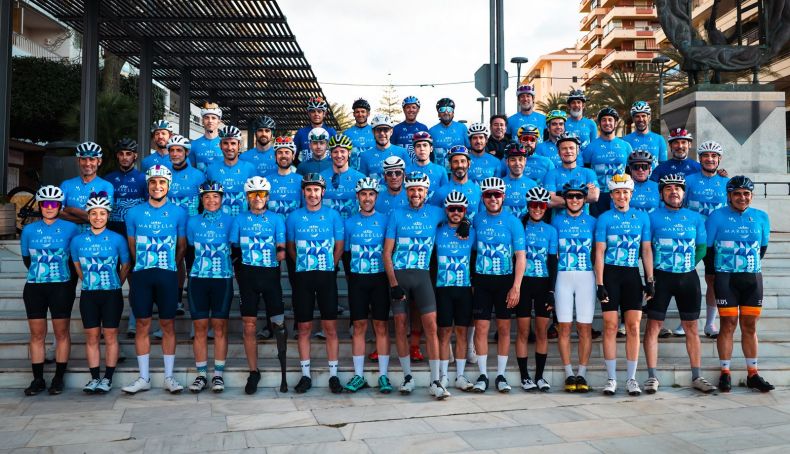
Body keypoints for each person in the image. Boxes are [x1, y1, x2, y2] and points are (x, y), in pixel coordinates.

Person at [643, 174, 717, 394]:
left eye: (678, 188)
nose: (673, 192)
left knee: (691, 327)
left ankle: (697, 376)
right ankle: (652, 377)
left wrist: (686, 264)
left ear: (684, 193)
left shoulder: (695, 218)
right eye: (668, 189)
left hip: (687, 278)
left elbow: (702, 248)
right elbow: (645, 249)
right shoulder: (651, 217)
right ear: (661, 194)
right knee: (653, 326)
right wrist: (651, 276)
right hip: (661, 277)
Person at [383, 171, 453, 399]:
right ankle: (407, 377)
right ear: (406, 191)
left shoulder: (435, 212)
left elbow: (457, 213)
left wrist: (465, 223)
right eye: (412, 189)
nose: (415, 193)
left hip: (422, 277)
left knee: (431, 326)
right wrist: (393, 284)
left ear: (426, 192)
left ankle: (435, 380)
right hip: (400, 277)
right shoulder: (396, 214)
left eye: (420, 190)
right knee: (400, 326)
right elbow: (387, 253)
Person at [121, 165, 188, 395]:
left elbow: (181, 247)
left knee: (168, 325)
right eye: (153, 182)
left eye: (161, 182)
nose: (157, 186)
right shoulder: (133, 213)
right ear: (147, 185)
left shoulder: (179, 212)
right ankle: (144, 378)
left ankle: (169, 377)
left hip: (167, 274)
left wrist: (170, 267)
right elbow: (132, 247)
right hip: (142, 275)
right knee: (142, 324)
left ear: (168, 185)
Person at [707, 176, 774, 392]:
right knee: (728, 324)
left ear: (752, 196)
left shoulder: (761, 217)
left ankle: (753, 373)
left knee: (750, 325)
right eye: (737, 194)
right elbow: (708, 249)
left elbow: (762, 248)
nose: (742, 198)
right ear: (729, 196)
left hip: (752, 278)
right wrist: (713, 273)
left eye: (746, 194)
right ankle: (725, 372)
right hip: (726, 278)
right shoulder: (716, 216)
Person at [594, 174, 654, 396]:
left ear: (631, 194)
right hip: (610, 275)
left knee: (633, 327)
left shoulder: (642, 217)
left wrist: (650, 280)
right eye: (617, 192)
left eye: (625, 192)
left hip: (631, 275)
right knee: (610, 326)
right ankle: (611, 379)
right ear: (611, 195)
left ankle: (631, 379)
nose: (621, 196)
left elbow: (646, 250)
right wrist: (600, 283)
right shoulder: (604, 218)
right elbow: (599, 252)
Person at [285, 173, 344, 394]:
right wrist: (303, 264)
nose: (312, 194)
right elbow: (291, 248)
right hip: (303, 277)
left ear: (323, 192)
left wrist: (330, 266)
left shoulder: (333, 215)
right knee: (304, 328)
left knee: (330, 328)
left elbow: (339, 246)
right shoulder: (293, 217)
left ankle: (334, 375)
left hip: (326, 276)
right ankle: (306, 375)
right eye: (309, 190)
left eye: (316, 190)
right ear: (303, 192)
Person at [20, 186, 79, 396]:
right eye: (45, 203)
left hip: (61, 286)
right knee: (37, 334)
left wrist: (67, 282)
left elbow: (74, 260)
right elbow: (27, 260)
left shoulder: (71, 228)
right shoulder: (28, 230)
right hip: (35, 287)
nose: (49, 207)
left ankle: (58, 378)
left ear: (60, 206)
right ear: (40, 205)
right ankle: (37, 379)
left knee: (61, 333)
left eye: (54, 203)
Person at [232, 176, 288, 394]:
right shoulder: (239, 219)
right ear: (247, 197)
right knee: (249, 325)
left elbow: (281, 250)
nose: (257, 198)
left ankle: (284, 373)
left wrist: (278, 252)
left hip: (270, 276)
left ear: (267, 196)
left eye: (261, 194)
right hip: (248, 277)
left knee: (279, 325)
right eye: (253, 194)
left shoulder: (276, 219)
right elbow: (234, 250)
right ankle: (253, 372)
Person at [471, 177, 526, 393]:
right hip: (482, 280)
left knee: (504, 329)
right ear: (483, 197)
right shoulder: (477, 219)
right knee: (481, 328)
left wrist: (516, 287)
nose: (493, 198)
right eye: (488, 195)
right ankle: (483, 374)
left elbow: (520, 256)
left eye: (497, 195)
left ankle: (501, 375)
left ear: (503, 197)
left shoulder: (513, 221)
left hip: (505, 281)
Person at [71, 193, 130, 394]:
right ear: (88, 215)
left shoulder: (118, 239)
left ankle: (108, 378)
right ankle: (94, 377)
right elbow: (78, 268)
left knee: (111, 336)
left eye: (102, 213)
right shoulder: (77, 240)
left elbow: (125, 266)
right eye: (94, 213)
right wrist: (90, 282)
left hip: (111, 294)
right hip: (89, 294)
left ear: (108, 215)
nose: (98, 217)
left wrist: (116, 284)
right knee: (92, 336)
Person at [343, 177, 392, 392]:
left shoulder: (385, 220)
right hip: (358, 280)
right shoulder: (349, 223)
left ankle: (383, 375)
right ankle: (358, 375)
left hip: (380, 279)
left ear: (376, 196)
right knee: (359, 326)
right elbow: (345, 254)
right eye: (363, 194)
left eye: (371, 194)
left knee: (381, 326)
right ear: (357, 196)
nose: (367, 198)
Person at [185, 181, 234, 394]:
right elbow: (189, 247)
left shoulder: (231, 221)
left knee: (220, 327)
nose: (211, 200)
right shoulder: (192, 222)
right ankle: (201, 375)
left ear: (222, 199)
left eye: (215, 196)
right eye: (206, 196)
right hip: (198, 279)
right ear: (201, 199)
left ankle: (218, 375)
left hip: (222, 278)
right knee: (200, 327)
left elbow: (235, 249)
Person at [552, 181, 597, 393]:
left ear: (585, 199)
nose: (574, 200)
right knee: (564, 327)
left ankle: (582, 373)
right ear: (565, 199)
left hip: (586, 276)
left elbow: (599, 252)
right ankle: (569, 373)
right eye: (570, 196)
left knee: (585, 327)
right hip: (563, 276)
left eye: (579, 196)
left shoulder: (593, 222)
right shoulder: (556, 221)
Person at [682, 140, 729, 339]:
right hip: (692, 238)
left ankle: (710, 323)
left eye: (714, 156)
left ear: (719, 159)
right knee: (684, 279)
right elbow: (680, 206)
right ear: (699, 159)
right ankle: (684, 322)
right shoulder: (688, 180)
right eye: (706, 156)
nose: (710, 159)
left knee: (713, 280)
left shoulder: (726, 182)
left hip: (716, 240)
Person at [434, 191, 476, 391]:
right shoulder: (437, 231)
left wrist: (467, 222)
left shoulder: (471, 232)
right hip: (443, 288)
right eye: (452, 209)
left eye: (460, 209)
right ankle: (443, 376)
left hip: (464, 289)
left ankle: (460, 375)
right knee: (444, 333)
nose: (456, 212)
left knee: (462, 332)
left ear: (465, 211)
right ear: (446, 210)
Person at [518, 187, 557, 392]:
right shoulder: (519, 226)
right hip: (523, 283)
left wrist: (552, 291)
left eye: (541, 205)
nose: (537, 209)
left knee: (542, 332)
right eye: (534, 205)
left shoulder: (551, 231)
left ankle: (539, 376)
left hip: (543, 284)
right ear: (528, 206)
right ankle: (525, 376)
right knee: (523, 331)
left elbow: (552, 262)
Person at [583, 107, 633, 217]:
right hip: (598, 197)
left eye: (610, 120)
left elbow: (630, 173)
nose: (607, 123)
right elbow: (586, 172)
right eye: (604, 120)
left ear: (616, 123)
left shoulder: (626, 146)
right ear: (599, 123)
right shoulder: (590, 147)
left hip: (620, 196)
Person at [59, 141, 115, 232]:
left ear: (99, 161)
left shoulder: (107, 186)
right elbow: (57, 213)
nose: (87, 163)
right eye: (84, 159)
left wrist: (71, 210)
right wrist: (92, 218)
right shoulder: (66, 184)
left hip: (95, 236)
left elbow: (104, 218)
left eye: (92, 159)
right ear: (78, 161)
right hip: (69, 236)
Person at [543, 133, 599, 217]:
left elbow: (594, 196)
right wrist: (583, 193)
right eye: (564, 148)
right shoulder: (551, 174)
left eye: (571, 148)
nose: (568, 151)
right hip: (558, 222)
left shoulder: (589, 172)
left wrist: (559, 196)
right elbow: (549, 201)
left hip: (584, 222)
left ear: (577, 151)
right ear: (558, 152)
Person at [207, 125, 257, 217]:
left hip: (243, 221)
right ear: (220, 145)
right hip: (219, 222)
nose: (229, 147)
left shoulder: (250, 168)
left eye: (233, 143)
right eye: (225, 143)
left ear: (239, 145)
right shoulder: (211, 169)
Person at [105, 138, 146, 236]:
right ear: (117, 156)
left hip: (136, 226)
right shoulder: (108, 178)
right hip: (112, 227)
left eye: (128, 154)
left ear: (135, 155)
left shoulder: (143, 178)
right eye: (121, 154)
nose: (124, 157)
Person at [431, 146, 482, 221]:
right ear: (450, 165)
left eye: (463, 161)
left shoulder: (478, 190)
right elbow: (434, 220)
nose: (460, 165)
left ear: (469, 164)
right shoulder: (440, 192)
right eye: (455, 162)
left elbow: (482, 217)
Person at [321, 134, 366, 220]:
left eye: (342, 151)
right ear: (330, 154)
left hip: (352, 226)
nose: (339, 155)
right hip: (328, 226)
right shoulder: (321, 177)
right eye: (335, 152)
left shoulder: (360, 178)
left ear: (349, 153)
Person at [359, 114, 410, 182]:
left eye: (386, 130)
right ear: (373, 132)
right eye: (378, 130)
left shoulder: (402, 152)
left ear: (391, 132)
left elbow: (408, 178)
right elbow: (363, 182)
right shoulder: (365, 155)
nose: (382, 133)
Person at [167, 135, 204, 218]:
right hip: (170, 222)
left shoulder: (198, 175)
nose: (174, 154)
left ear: (187, 152)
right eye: (172, 150)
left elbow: (204, 204)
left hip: (191, 222)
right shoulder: (165, 174)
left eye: (179, 150)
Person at [428, 98, 470, 171]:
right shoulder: (432, 131)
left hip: (459, 171)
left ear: (453, 113)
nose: (446, 112)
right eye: (442, 109)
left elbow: (470, 150)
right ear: (438, 113)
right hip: (439, 172)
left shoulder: (462, 128)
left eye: (449, 109)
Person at [501, 142, 538, 221]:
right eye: (513, 160)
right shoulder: (500, 184)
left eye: (520, 159)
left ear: (525, 161)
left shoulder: (533, 185)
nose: (517, 163)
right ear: (507, 162)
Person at [623, 101, 667, 168]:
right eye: (637, 116)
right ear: (633, 119)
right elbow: (625, 166)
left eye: (643, 116)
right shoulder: (625, 140)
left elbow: (663, 165)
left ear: (649, 118)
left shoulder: (659, 139)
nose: (641, 119)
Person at [266, 136, 302, 217]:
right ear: (275, 157)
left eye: (287, 152)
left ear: (293, 156)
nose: (283, 155)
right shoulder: (266, 181)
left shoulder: (301, 180)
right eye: (280, 152)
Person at [293, 96, 337, 161]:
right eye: (313, 111)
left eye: (319, 111)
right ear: (309, 113)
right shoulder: (301, 133)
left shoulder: (331, 132)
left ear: (324, 113)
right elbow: (293, 155)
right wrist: (301, 166)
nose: (316, 114)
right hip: (306, 167)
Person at [408, 131, 448, 201]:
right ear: (414, 150)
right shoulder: (406, 171)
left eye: (425, 145)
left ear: (431, 149)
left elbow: (445, 196)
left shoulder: (441, 171)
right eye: (418, 146)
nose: (422, 149)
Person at [191, 102, 223, 172]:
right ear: (202, 121)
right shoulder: (193, 144)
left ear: (219, 122)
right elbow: (191, 171)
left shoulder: (226, 144)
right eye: (207, 118)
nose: (210, 121)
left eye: (213, 118)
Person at [344, 98, 375, 169]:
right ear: (353, 114)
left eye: (363, 111)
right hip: (354, 172)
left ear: (368, 114)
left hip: (372, 172)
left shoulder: (375, 131)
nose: (360, 114)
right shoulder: (347, 133)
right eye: (357, 112)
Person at [564, 89, 597, 154]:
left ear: (583, 105)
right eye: (573, 102)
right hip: (568, 159)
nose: (576, 105)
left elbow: (594, 146)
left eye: (579, 102)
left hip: (586, 159)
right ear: (569, 106)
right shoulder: (563, 123)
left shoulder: (591, 124)